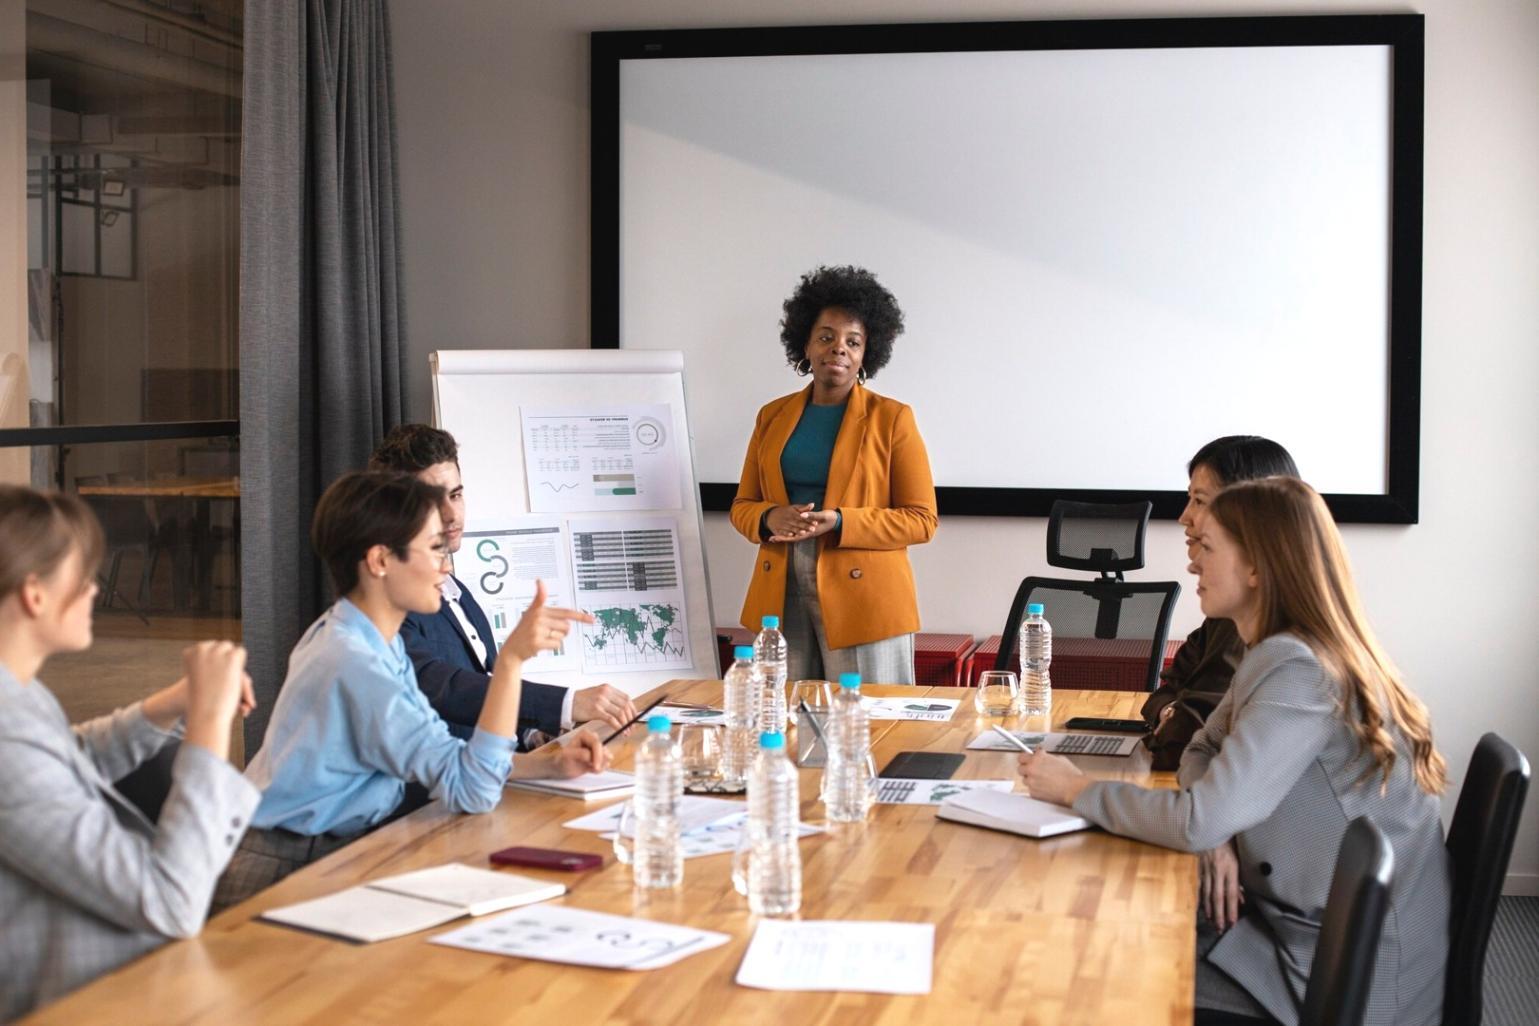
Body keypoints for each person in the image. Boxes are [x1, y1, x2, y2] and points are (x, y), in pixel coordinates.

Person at [1020, 477, 1450, 1026]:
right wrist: (1219, 826)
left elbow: (1197, 819)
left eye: (1207, 547)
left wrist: (1075, 787)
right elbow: (1202, 748)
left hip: (1345, 978)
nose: (1192, 562)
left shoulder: (1297, 668)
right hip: (1304, 931)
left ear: (1256, 568)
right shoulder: (1277, 649)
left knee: (1099, 960)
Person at [214, 472, 607, 911]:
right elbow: (474, 788)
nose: (446, 566)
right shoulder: (357, 663)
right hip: (279, 869)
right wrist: (512, 660)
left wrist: (547, 766)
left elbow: (450, 761)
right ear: (381, 560)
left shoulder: (368, 639)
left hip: (314, 853)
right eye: (434, 548)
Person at [0, 486, 258, 1020]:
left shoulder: (19, 695)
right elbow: (169, 902)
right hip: (87, 1004)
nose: (95, 589)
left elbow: (67, 761)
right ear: (35, 594)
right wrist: (209, 725)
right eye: (83, 575)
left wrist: (172, 704)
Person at [730, 265, 938, 684]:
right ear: (805, 344)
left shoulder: (893, 418)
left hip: (865, 598)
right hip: (781, 588)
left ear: (866, 354)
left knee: (867, 716)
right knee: (784, 714)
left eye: (853, 341)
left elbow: (921, 520)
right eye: (825, 337)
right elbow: (742, 506)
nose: (838, 349)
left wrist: (841, 521)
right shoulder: (771, 416)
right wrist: (770, 517)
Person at [369, 425, 637, 745]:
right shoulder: (383, 599)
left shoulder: (456, 591)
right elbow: (439, 685)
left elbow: (487, 690)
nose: (451, 514)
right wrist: (565, 704)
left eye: (456, 495)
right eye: (432, 501)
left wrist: (534, 737)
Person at [1140, 435, 1300, 769]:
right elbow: (1165, 692)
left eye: (1200, 501)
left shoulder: (1266, 629)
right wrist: (1170, 711)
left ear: (1248, 511)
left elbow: (1182, 746)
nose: (1185, 517)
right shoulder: (1230, 611)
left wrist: (1174, 722)